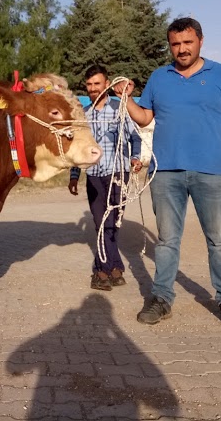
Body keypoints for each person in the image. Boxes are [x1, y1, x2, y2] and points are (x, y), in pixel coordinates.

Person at [115, 17, 221, 330]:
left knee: (218, 240)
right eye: (175, 44)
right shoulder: (159, 77)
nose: (181, 49)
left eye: (187, 43)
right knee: (166, 241)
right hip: (166, 174)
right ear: (170, 45)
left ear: (200, 41)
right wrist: (127, 99)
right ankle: (161, 299)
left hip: (211, 172)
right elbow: (146, 117)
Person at [69, 64, 143, 291]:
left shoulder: (118, 108)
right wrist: (74, 175)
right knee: (101, 222)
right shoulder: (83, 115)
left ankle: (110, 268)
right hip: (93, 175)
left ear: (107, 83)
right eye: (89, 85)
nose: (92, 89)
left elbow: (135, 138)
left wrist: (136, 157)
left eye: (97, 84)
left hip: (118, 174)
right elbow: (77, 148)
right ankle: (106, 270)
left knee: (113, 223)